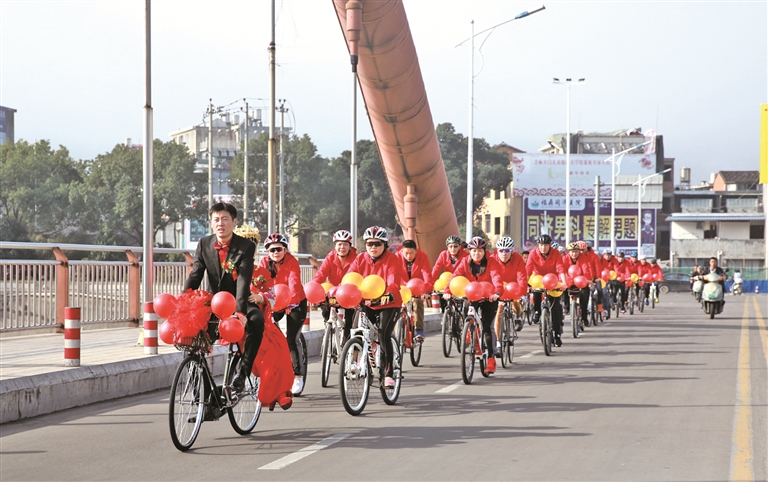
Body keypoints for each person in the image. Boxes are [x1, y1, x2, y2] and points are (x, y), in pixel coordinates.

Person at [184, 203, 263, 400]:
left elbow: (243, 281)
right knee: (192, 341)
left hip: (238, 301)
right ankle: (201, 394)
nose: (221, 223)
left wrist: (241, 312)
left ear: (234, 222)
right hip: (214, 303)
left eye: (225, 219)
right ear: (211, 223)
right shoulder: (204, 244)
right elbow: (195, 276)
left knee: (257, 320)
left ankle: (242, 374)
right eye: (216, 219)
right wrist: (183, 302)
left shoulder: (246, 246)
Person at [348, 226, 407, 389]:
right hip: (367, 302)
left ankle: (388, 373)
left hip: (389, 303)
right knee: (355, 329)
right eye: (369, 244)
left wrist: (388, 293)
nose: (373, 247)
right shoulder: (360, 259)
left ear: (385, 245)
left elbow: (393, 281)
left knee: (383, 334)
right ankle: (352, 361)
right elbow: (350, 278)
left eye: (377, 244)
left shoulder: (392, 259)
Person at [444, 237, 503, 375]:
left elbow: (496, 277)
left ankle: (491, 359)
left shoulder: (492, 262)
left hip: (489, 295)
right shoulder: (465, 261)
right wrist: (447, 291)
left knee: (488, 327)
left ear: (484, 251)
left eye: (480, 251)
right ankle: (469, 331)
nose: (477, 253)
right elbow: (455, 276)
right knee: (466, 312)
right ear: (469, 251)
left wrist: (497, 292)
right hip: (471, 294)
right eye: (474, 251)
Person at [259, 233, 308, 396]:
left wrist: (292, 302)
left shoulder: (292, 261)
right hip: (275, 302)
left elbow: (294, 283)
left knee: (291, 339)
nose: (275, 252)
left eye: (279, 249)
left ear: (285, 250)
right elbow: (260, 284)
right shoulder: (264, 263)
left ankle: (298, 376)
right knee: (270, 336)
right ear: (267, 252)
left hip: (296, 302)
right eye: (271, 249)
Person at [313, 230, 357, 343]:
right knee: (324, 303)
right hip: (333, 292)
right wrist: (314, 287)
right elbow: (321, 274)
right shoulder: (330, 257)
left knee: (349, 320)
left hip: (350, 293)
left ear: (350, 246)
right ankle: (328, 326)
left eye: (345, 244)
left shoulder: (356, 258)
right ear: (335, 245)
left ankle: (347, 345)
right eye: (339, 244)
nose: (342, 247)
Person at [526, 234, 566, 347]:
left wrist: (563, 282)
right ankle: (537, 311)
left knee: (556, 308)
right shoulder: (533, 253)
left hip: (552, 279)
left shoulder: (556, 253)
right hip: (538, 278)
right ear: (538, 245)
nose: (543, 247)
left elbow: (560, 268)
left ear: (549, 245)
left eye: (546, 245)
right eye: (541, 245)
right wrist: (524, 284)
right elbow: (528, 269)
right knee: (536, 290)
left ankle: (557, 334)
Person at [490, 237, 528, 339]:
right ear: (497, 250)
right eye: (501, 250)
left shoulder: (518, 258)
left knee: (515, 301)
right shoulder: (492, 258)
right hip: (498, 286)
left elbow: (522, 277)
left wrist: (522, 295)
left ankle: (518, 317)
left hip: (513, 284)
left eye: (507, 250)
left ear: (512, 251)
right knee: (499, 311)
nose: (504, 253)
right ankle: (497, 342)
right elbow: (490, 277)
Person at [397, 239, 432, 340]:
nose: (409, 256)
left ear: (416, 251)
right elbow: (392, 273)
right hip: (402, 287)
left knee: (417, 302)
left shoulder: (422, 257)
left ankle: (419, 330)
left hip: (417, 286)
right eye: (406, 253)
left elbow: (427, 274)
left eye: (411, 253)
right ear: (402, 251)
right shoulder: (396, 257)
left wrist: (427, 291)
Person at [431, 235, 468, 312]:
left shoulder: (465, 255)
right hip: (446, 281)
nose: (453, 249)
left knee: (463, 306)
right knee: (443, 297)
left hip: (460, 282)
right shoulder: (443, 255)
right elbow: (436, 269)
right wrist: (429, 284)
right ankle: (445, 314)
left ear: (460, 247)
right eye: (450, 246)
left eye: (455, 246)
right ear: (447, 247)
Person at [562, 242, 593, 327]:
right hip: (569, 281)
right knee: (563, 288)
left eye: (576, 251)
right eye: (572, 252)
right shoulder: (564, 259)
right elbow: (562, 270)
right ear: (569, 252)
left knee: (585, 294)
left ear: (579, 251)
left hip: (580, 280)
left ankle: (584, 316)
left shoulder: (583, 258)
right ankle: (566, 307)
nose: (574, 253)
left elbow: (586, 269)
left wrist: (587, 280)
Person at [599, 249, 618, 319]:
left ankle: (606, 308)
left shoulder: (614, 260)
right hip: (601, 278)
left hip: (611, 276)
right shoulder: (601, 260)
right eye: (606, 255)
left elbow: (616, 268)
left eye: (609, 255)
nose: (607, 256)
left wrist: (617, 275)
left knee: (609, 291)